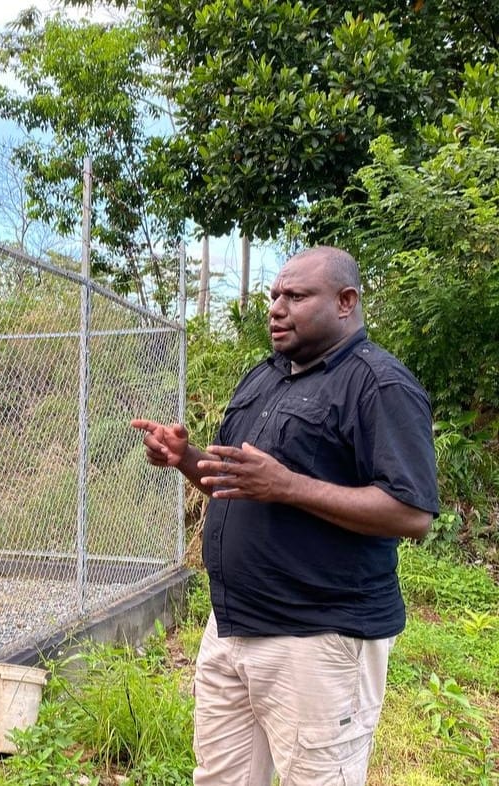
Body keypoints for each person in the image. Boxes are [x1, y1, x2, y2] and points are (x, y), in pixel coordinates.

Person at [132, 246, 439, 786]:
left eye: (296, 296)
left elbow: (411, 512)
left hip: (317, 636)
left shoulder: (378, 385)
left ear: (346, 302)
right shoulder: (264, 378)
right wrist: (184, 457)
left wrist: (289, 486)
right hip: (232, 626)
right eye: (274, 295)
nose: (276, 308)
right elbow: (233, 481)